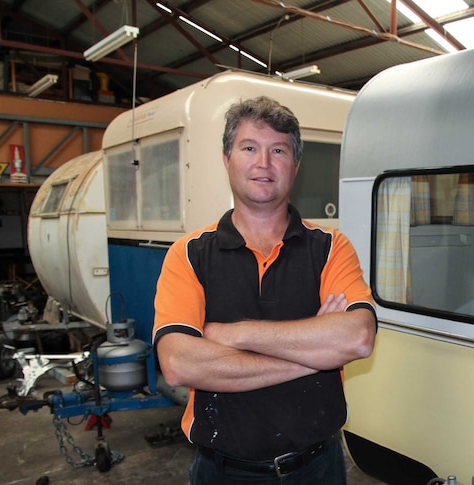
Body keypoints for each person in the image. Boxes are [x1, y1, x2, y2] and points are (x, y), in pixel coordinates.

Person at [153, 96, 377, 484]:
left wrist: (232, 334)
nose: (263, 163)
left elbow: (357, 338)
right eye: (249, 148)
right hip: (224, 472)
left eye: (278, 150)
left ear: (295, 164)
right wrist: (314, 355)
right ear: (227, 159)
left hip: (318, 468)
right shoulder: (189, 254)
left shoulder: (330, 247)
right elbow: (179, 364)